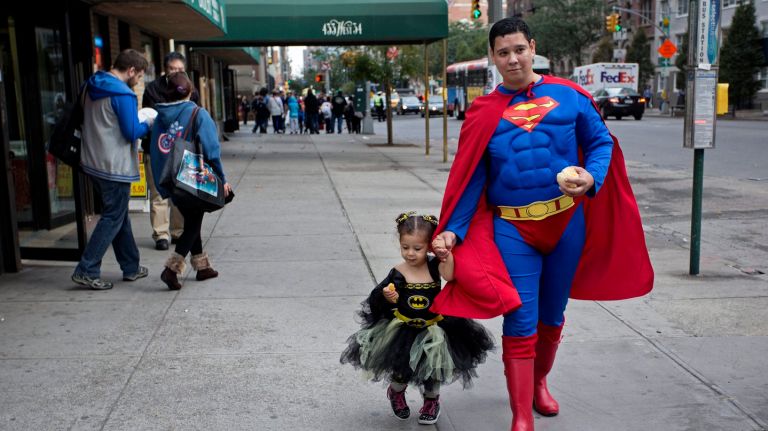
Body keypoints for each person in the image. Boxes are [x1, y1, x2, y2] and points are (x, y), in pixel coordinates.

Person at [430, 18, 653, 431]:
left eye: (519, 49)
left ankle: (539, 385)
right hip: (513, 228)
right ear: (493, 58)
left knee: (552, 316)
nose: (512, 59)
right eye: (503, 52)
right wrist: (453, 229)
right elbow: (471, 176)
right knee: (520, 318)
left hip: (566, 222)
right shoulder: (482, 111)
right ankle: (519, 414)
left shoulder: (569, 96)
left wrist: (592, 177)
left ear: (532, 47)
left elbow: (602, 142)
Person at [341, 213, 494, 425]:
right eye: (405, 247)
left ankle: (431, 401)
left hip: (434, 330)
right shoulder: (398, 272)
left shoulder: (434, 266)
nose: (410, 253)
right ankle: (396, 393)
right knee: (401, 371)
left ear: (429, 246)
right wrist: (388, 296)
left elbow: (449, 275)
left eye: (417, 248)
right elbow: (379, 298)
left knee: (433, 371)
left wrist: (446, 255)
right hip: (404, 330)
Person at [71, 49, 154, 290]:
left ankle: (131, 266)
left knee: (118, 215)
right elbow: (131, 131)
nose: (138, 81)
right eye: (138, 76)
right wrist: (147, 123)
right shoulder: (124, 94)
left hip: (92, 160)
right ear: (130, 71)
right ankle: (86, 269)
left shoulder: (91, 84)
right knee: (113, 216)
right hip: (114, 165)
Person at [149, 72, 232, 290]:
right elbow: (212, 151)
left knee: (192, 222)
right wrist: (221, 179)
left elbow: (156, 150)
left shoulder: (160, 116)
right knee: (193, 224)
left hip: (170, 179)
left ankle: (202, 267)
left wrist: (162, 183)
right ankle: (171, 269)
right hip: (193, 179)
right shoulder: (198, 113)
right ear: (191, 90)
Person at [142, 52, 197, 250]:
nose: (176, 73)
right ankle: (161, 234)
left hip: (182, 150)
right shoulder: (153, 89)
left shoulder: (190, 89)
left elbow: (195, 117)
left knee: (180, 193)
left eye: (180, 69)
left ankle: (178, 231)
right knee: (158, 193)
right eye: (173, 69)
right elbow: (149, 118)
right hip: (156, 150)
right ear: (165, 69)